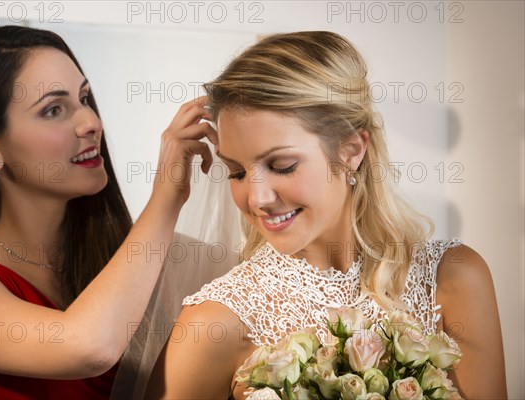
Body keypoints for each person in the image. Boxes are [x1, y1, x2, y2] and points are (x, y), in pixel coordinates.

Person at [146, 31, 507, 399]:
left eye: (282, 165)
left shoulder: (456, 277)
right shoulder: (215, 322)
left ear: (351, 149)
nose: (256, 198)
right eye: (236, 172)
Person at [0, 25, 217, 399]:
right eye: (53, 109)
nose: (91, 122)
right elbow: (88, 348)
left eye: (85, 98)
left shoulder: (153, 257)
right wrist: (169, 192)